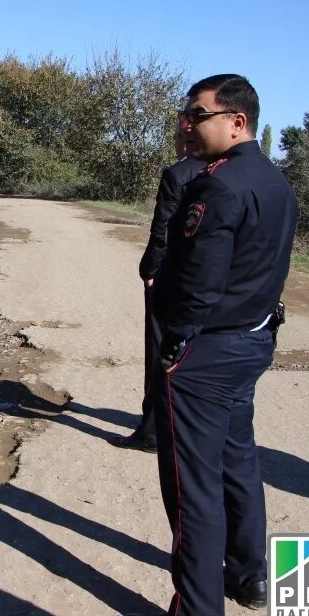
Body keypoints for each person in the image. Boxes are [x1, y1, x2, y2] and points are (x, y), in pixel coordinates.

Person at [118, 75, 297, 616]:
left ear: (237, 121)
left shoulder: (217, 186)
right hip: (252, 343)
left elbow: (199, 283)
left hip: (209, 355)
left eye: (198, 114)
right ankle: (250, 575)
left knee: (193, 489)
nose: (186, 125)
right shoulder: (275, 182)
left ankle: (196, 615)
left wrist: (173, 349)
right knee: (237, 459)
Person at [108, 125, 205, 453]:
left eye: (179, 136)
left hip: (171, 279)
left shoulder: (178, 174)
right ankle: (188, 430)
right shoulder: (231, 172)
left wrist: (150, 269)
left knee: (160, 353)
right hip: (211, 284)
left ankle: (152, 431)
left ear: (185, 140)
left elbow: (162, 228)